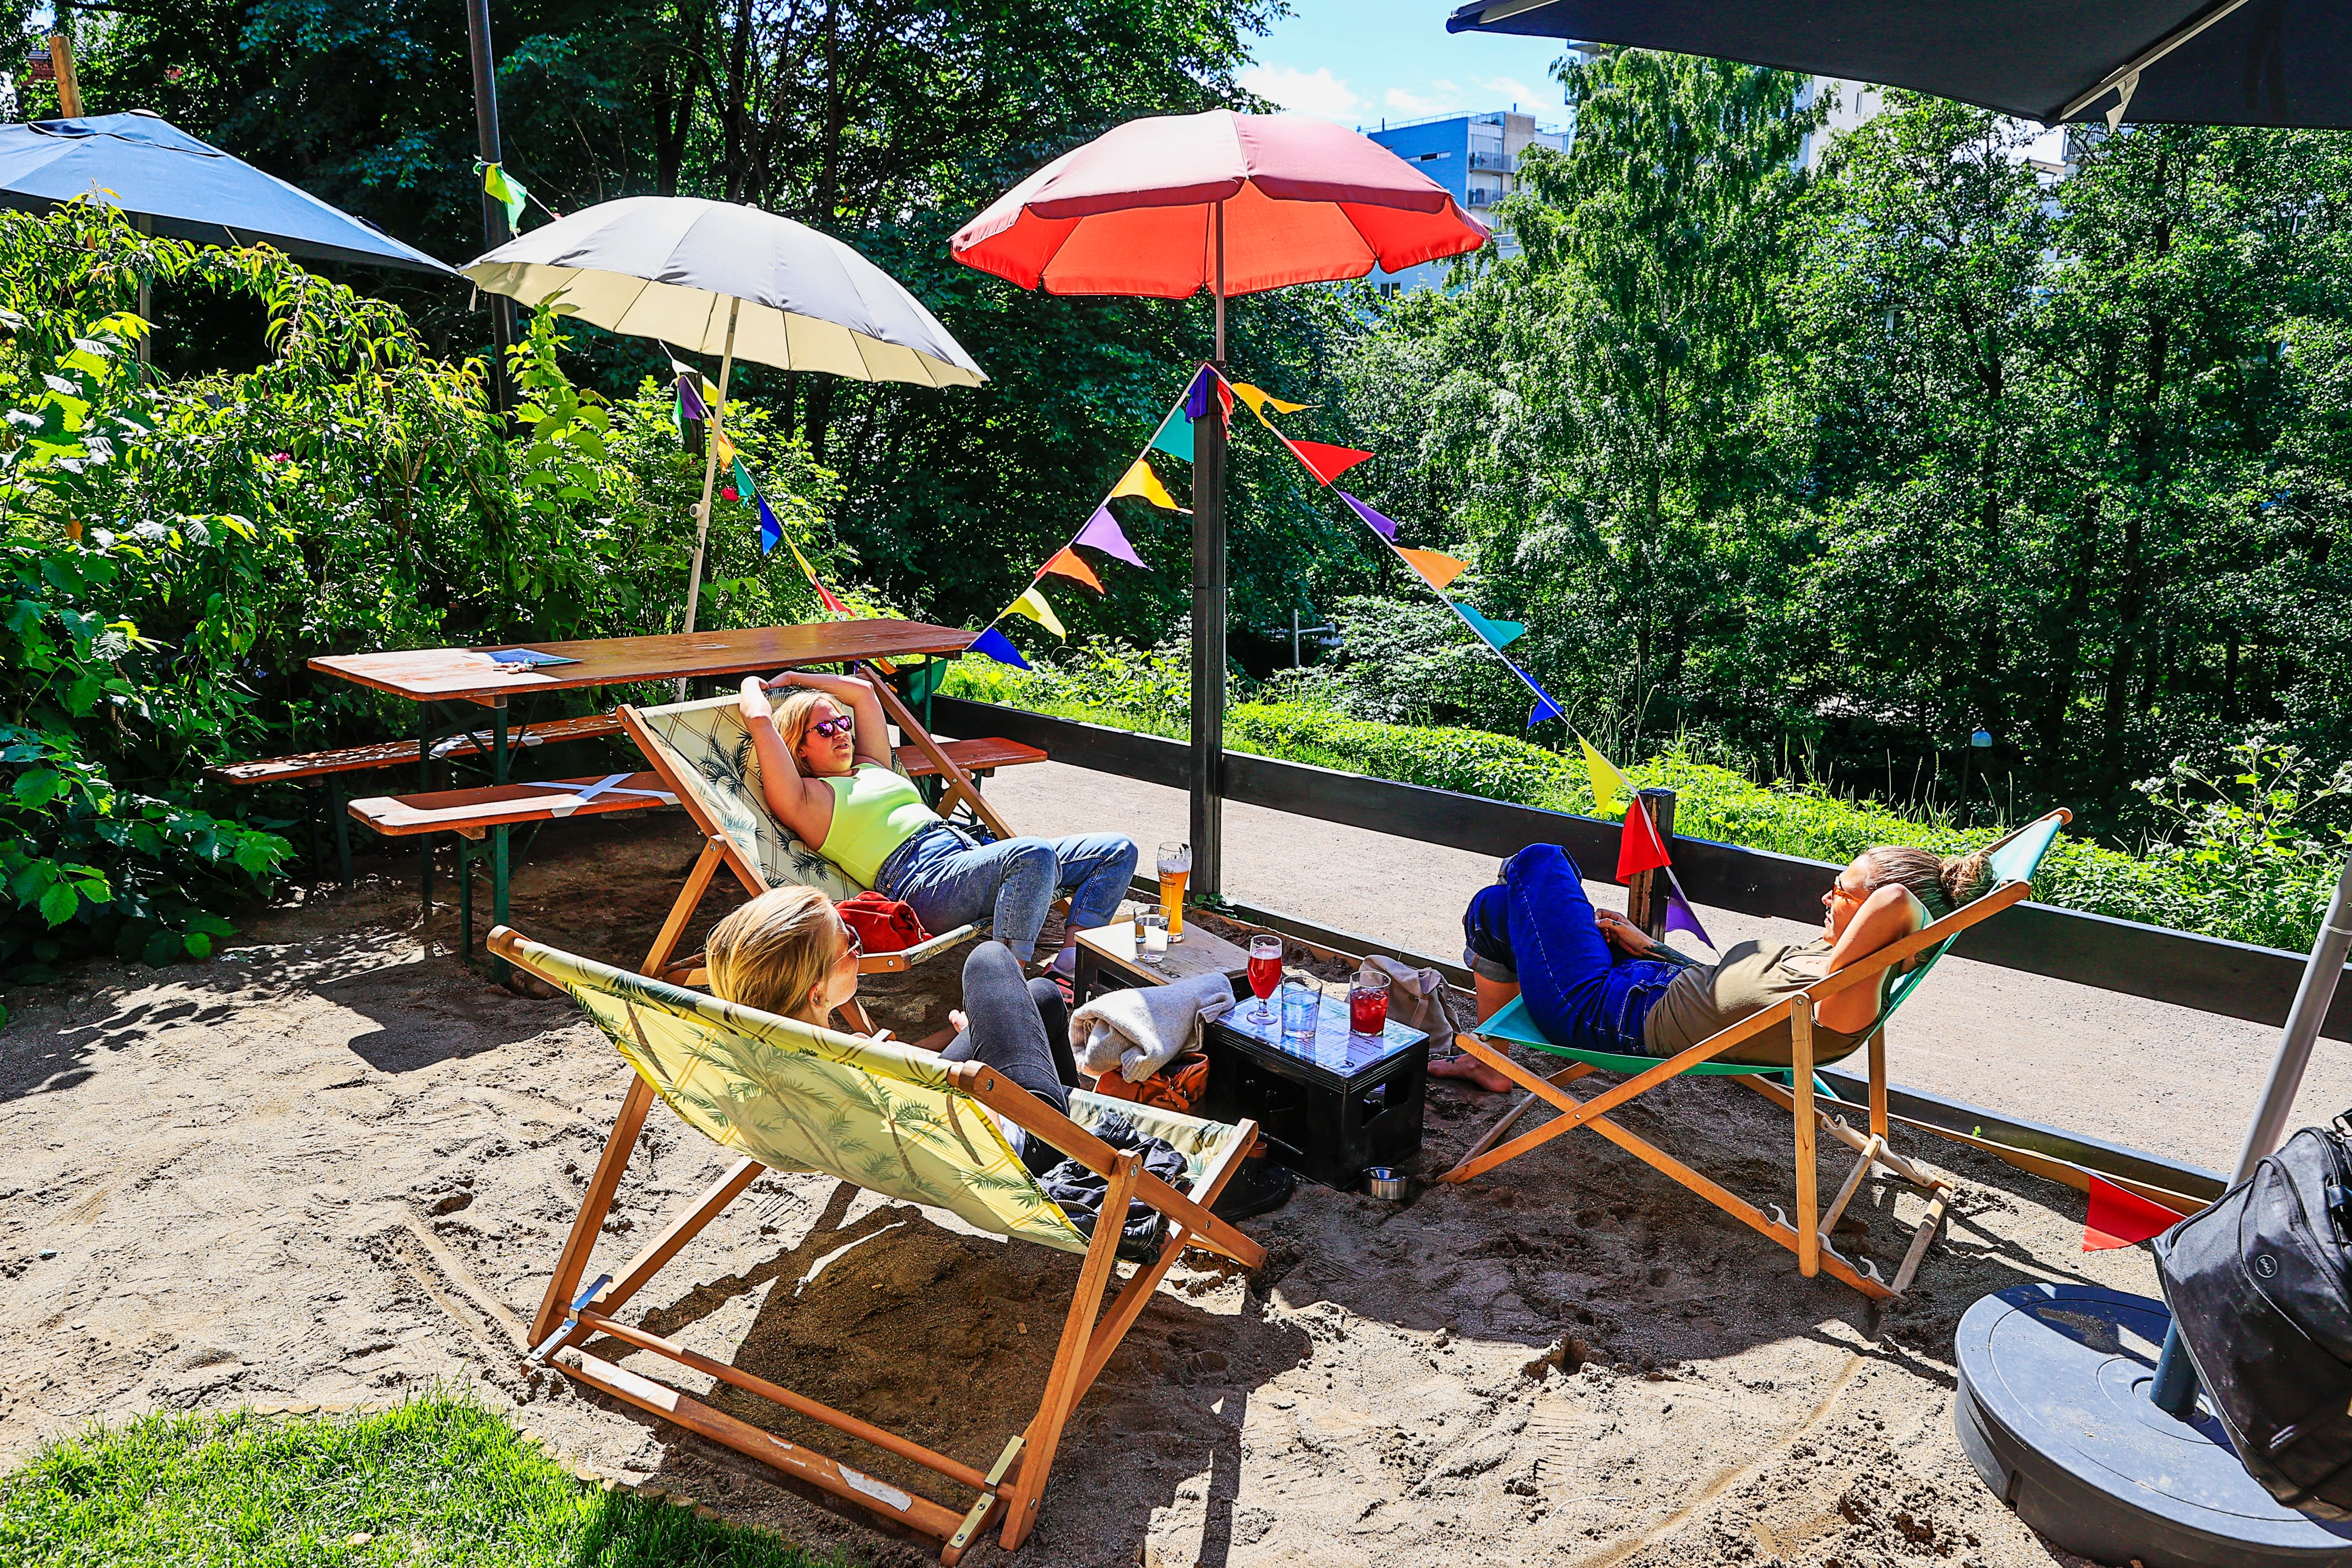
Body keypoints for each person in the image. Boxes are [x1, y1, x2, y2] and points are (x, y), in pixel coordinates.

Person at [1432, 842, 1991, 1090]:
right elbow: (1726, 997)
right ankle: (1490, 1064)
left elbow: (1895, 900)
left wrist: (1918, 918)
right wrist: (1655, 948)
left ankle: (1490, 1055)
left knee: (1541, 860)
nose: (1826, 897)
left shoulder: (1845, 990)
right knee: (1497, 907)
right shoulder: (1833, 959)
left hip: (1600, 1012)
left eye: (1842, 890)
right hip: (1642, 979)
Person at [737, 668, 1137, 975]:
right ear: (800, 749)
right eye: (825, 729)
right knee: (1032, 854)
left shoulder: (871, 764)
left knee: (1117, 850)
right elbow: (760, 720)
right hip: (921, 882)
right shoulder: (806, 799)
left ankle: (1069, 966)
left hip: (969, 854)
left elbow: (863, 692)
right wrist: (755, 683)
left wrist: (796, 678)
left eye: (843, 723)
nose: (841, 732)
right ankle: (1005, 980)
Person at [704, 886, 1080, 1169]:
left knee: (1041, 996)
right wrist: (980, 1053)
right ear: (817, 994)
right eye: (850, 942)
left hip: (917, 1137)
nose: (858, 949)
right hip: (1026, 1144)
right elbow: (978, 1117)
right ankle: (1080, 1146)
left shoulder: (752, 1066)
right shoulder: (864, 1067)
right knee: (989, 959)